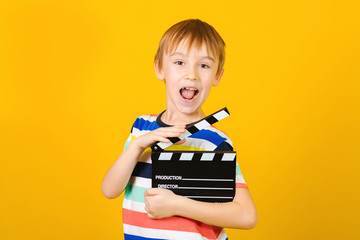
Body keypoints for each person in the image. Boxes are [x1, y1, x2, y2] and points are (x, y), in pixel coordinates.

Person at [102, 18, 257, 240]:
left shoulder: (214, 142)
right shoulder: (142, 127)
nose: (191, 74)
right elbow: (110, 190)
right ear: (159, 68)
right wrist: (138, 146)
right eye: (179, 62)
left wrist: (177, 205)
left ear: (217, 76)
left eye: (204, 65)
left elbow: (246, 215)